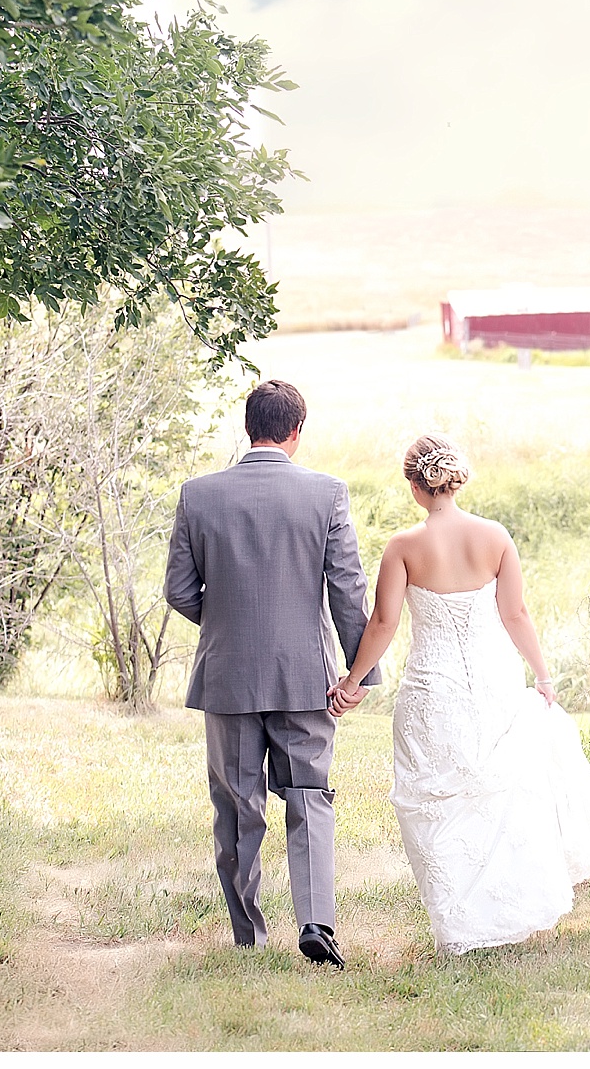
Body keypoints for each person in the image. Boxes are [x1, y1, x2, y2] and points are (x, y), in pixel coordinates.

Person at [328, 433, 590, 954]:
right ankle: (503, 913)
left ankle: (460, 925)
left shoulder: (404, 547)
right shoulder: (495, 537)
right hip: (493, 684)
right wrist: (543, 675)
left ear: (414, 484)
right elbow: (515, 614)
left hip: (432, 690)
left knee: (435, 802)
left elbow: (382, 622)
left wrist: (352, 682)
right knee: (498, 799)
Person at [164, 379, 376, 968]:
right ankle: (316, 923)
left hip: (227, 675)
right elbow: (348, 589)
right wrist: (357, 674)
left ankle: (248, 935)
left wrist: (226, 621)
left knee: (237, 805)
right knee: (309, 795)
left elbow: (179, 590)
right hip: (306, 676)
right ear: (296, 433)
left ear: (249, 426)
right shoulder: (326, 493)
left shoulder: (198, 495)